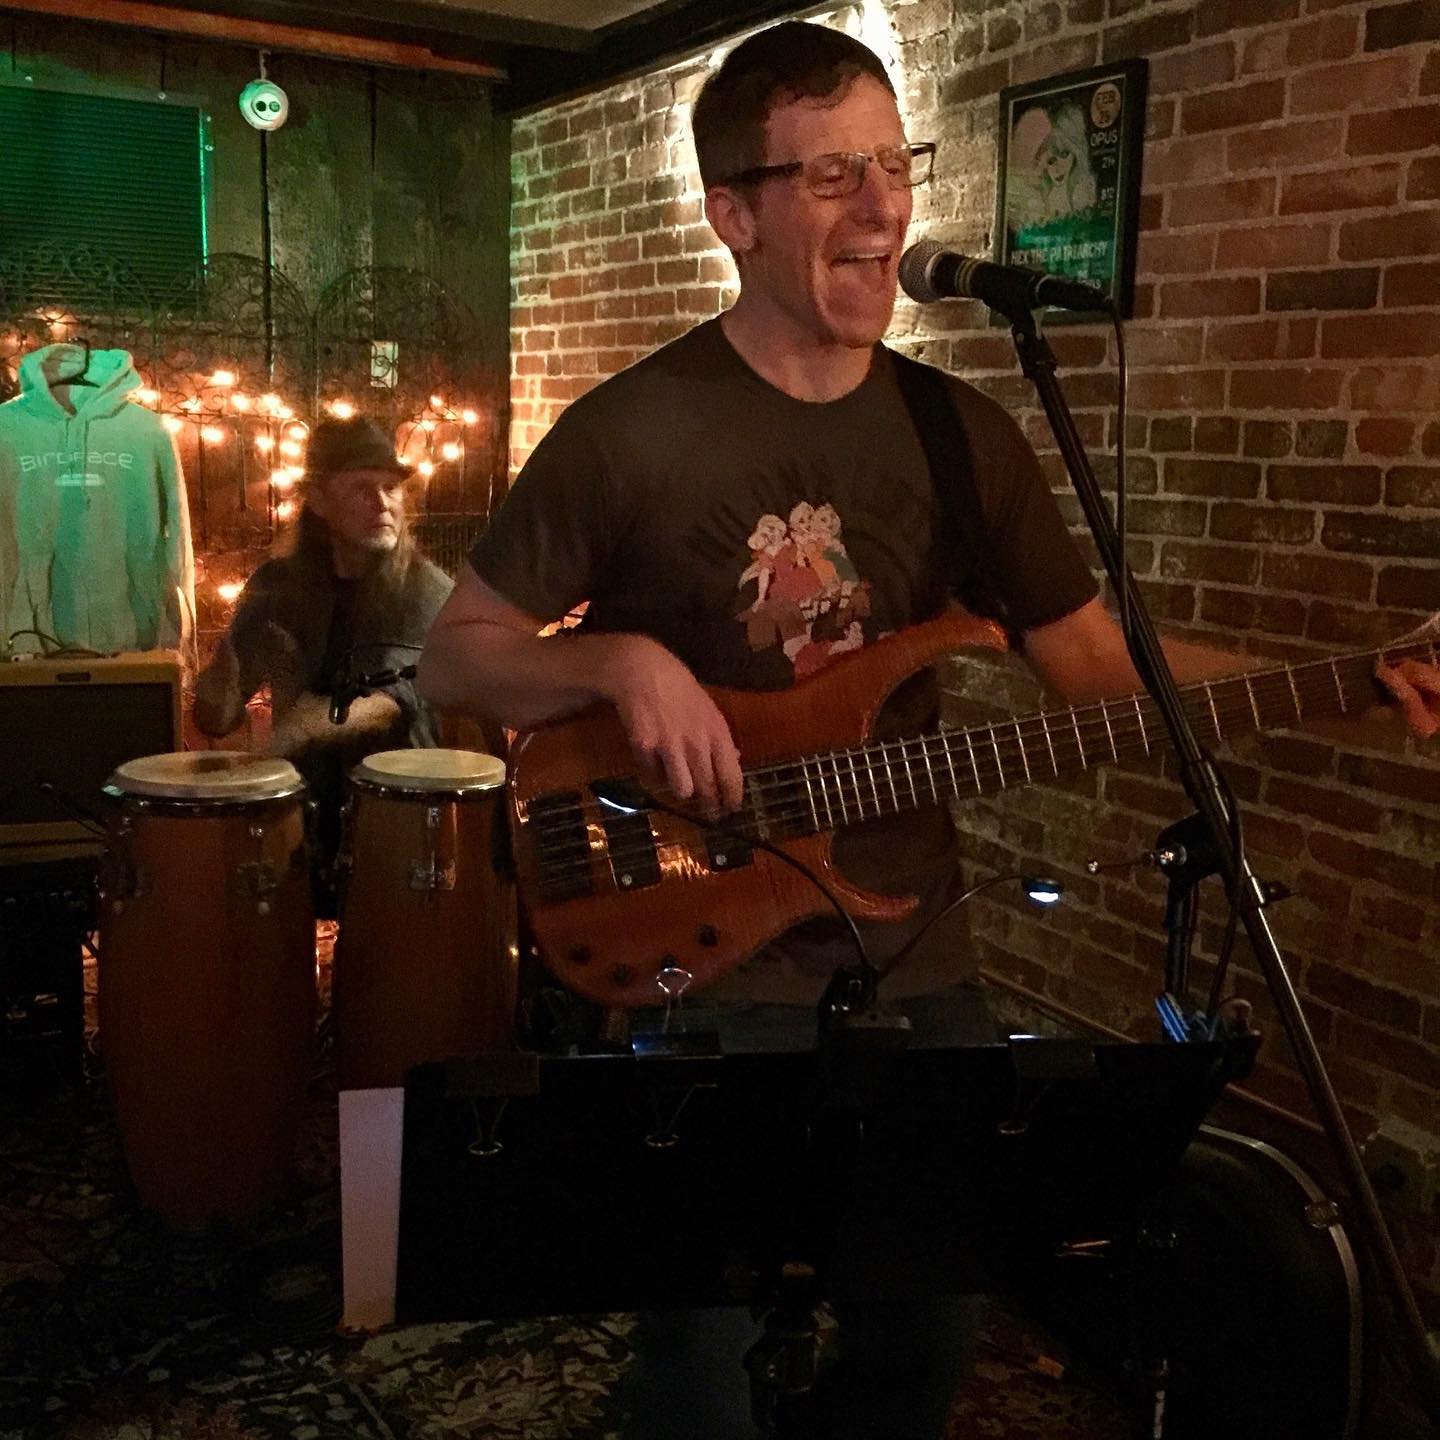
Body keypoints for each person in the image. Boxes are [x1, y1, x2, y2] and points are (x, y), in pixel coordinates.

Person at [417, 22, 1440, 1437]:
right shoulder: (629, 433)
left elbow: (1090, 663)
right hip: (702, 948)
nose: (885, 205)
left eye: (895, 162)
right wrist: (620, 662)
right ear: (737, 212)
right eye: (836, 171)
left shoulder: (966, 436)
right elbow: (453, 659)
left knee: (927, 1338)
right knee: (697, 1372)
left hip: (914, 950)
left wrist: (1343, 677)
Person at [196, 415, 452, 912]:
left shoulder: (425, 589)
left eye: (391, 489)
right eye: (362, 489)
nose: (382, 504)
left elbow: (392, 702)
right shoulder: (279, 586)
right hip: (301, 807)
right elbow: (218, 716)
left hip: (396, 808)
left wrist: (305, 727)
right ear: (318, 502)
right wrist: (221, 684)